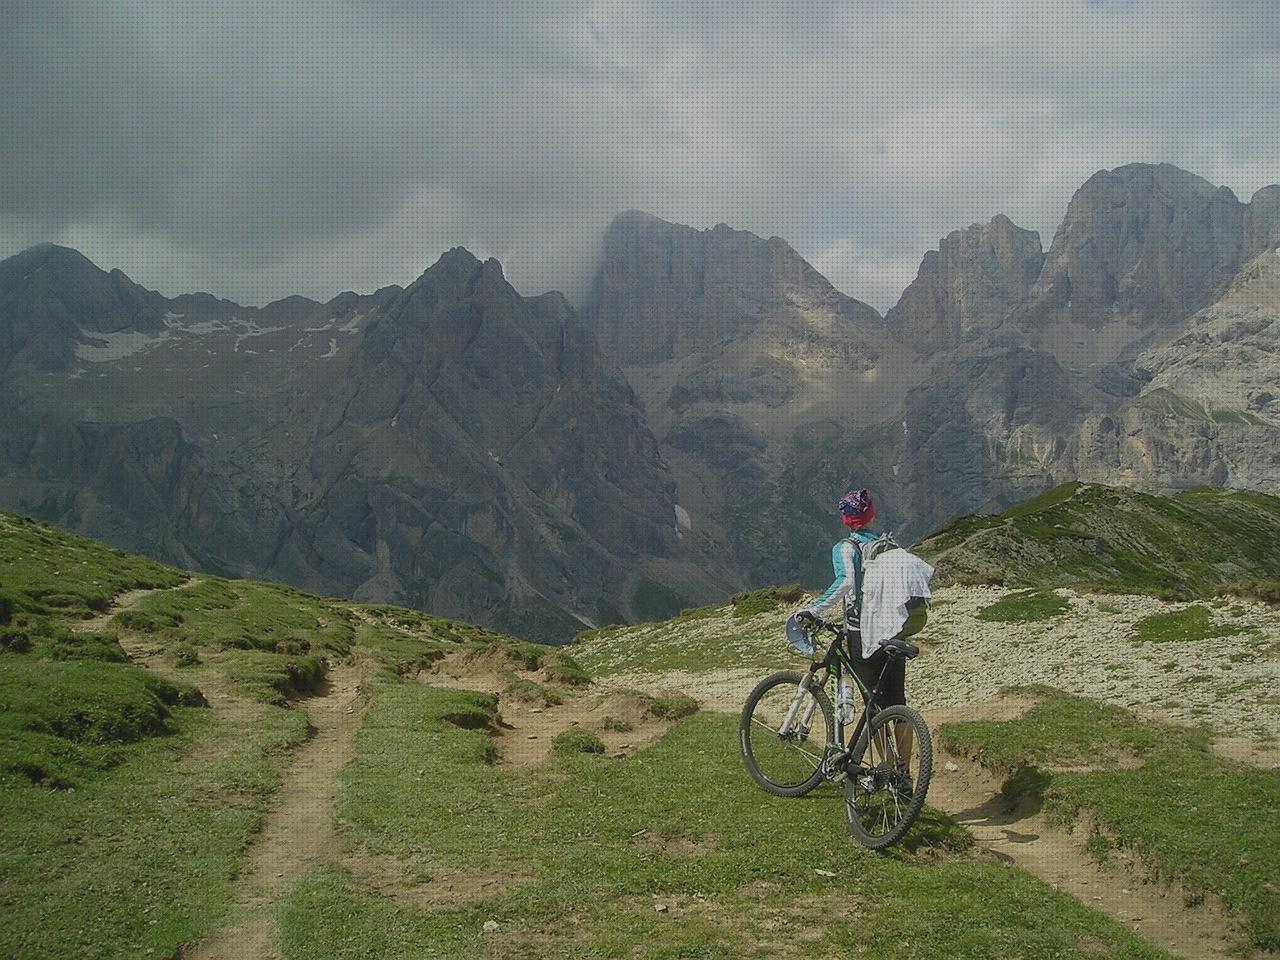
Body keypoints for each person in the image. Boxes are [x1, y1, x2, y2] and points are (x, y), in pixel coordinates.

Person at [794, 488, 913, 784]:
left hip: (863, 634)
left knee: (872, 702)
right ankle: (906, 774)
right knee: (898, 702)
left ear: (845, 519)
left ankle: (886, 767)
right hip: (894, 629)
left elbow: (846, 582)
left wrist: (813, 609)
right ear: (871, 515)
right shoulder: (891, 545)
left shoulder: (846, 547)